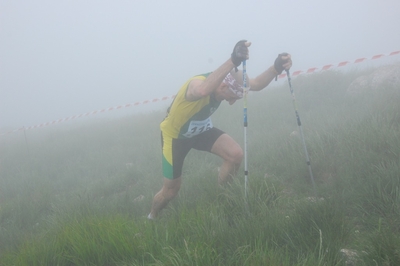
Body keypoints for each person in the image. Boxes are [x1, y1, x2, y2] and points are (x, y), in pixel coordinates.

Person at [148, 40, 292, 219]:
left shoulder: (230, 78)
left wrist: (275, 68)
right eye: (231, 97)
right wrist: (232, 59)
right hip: (175, 136)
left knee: (235, 155)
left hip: (201, 130)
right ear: (223, 86)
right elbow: (201, 91)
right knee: (171, 190)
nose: (232, 102)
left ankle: (222, 198)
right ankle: (152, 216)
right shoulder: (197, 83)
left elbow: (255, 84)